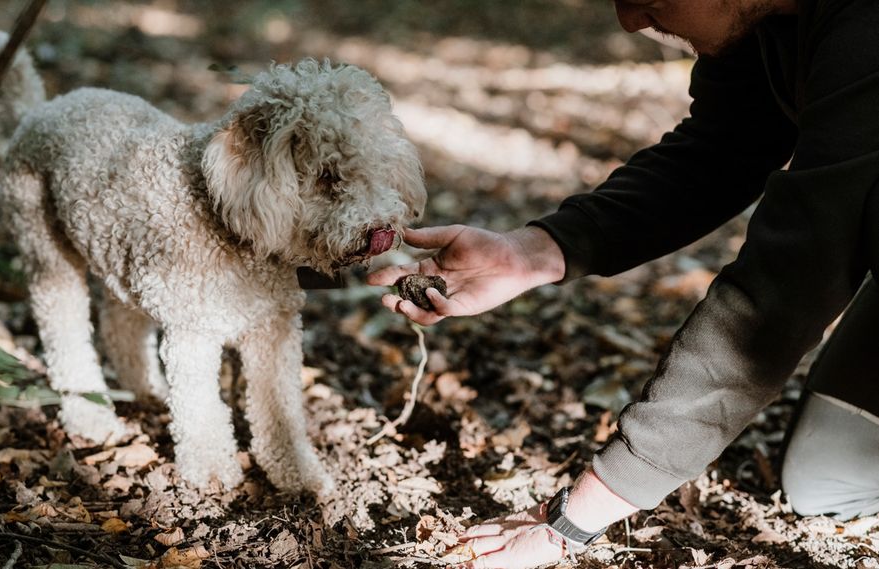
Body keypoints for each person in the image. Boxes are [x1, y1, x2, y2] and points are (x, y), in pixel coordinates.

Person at [367, 0, 879, 567]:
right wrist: (532, 252)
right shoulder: (759, 21)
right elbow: (719, 151)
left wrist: (576, 518)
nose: (631, 20)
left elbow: (785, 285)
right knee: (828, 483)